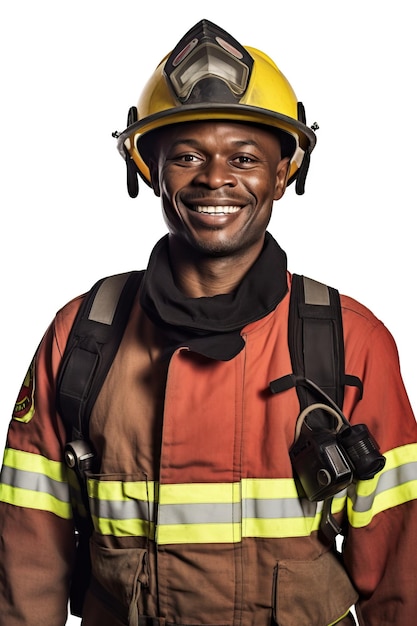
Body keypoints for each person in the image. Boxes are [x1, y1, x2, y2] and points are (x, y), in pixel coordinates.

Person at [1, 18, 416, 626]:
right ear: (149, 170)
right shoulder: (82, 334)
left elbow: (402, 563)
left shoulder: (352, 342)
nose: (214, 178)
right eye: (188, 156)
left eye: (244, 157)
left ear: (284, 173)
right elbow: (26, 553)